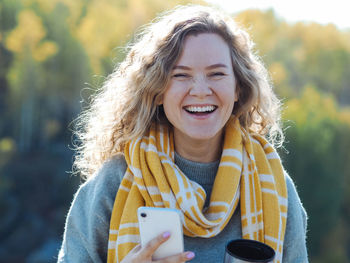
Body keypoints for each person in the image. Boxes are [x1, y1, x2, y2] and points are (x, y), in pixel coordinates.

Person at [57, 5, 308, 263]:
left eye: (217, 73)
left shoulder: (276, 187)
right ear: (157, 90)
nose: (200, 90)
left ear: (238, 88)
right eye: (181, 75)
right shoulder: (112, 184)